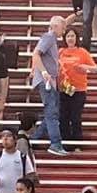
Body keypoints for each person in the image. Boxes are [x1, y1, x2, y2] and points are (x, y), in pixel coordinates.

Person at [31, 13, 69, 156]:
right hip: (46, 80)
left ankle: (34, 139)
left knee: (52, 112)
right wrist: (44, 72)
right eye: (63, 28)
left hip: (50, 80)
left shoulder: (51, 39)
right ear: (56, 26)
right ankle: (55, 143)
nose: (64, 31)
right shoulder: (48, 37)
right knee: (52, 112)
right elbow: (36, 54)